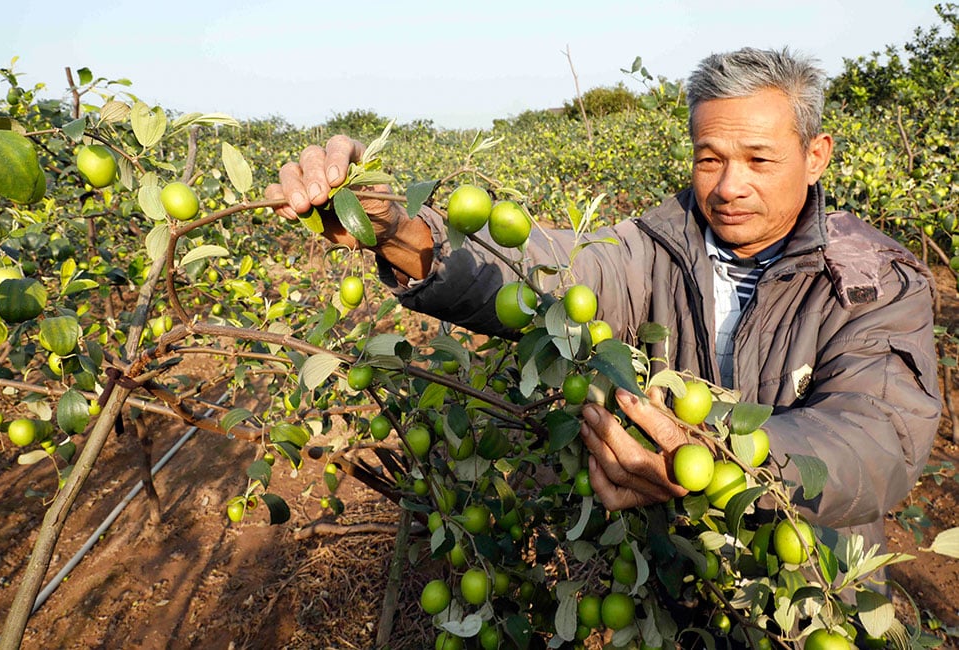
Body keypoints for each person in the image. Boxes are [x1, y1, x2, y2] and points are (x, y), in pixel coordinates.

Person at [265, 47, 941, 567]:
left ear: (815, 155)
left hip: (807, 575)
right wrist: (402, 228)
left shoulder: (871, 281)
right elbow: (543, 273)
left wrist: (729, 459)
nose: (730, 186)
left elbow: (877, 437)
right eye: (710, 159)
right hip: (680, 568)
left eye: (759, 159)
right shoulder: (651, 249)